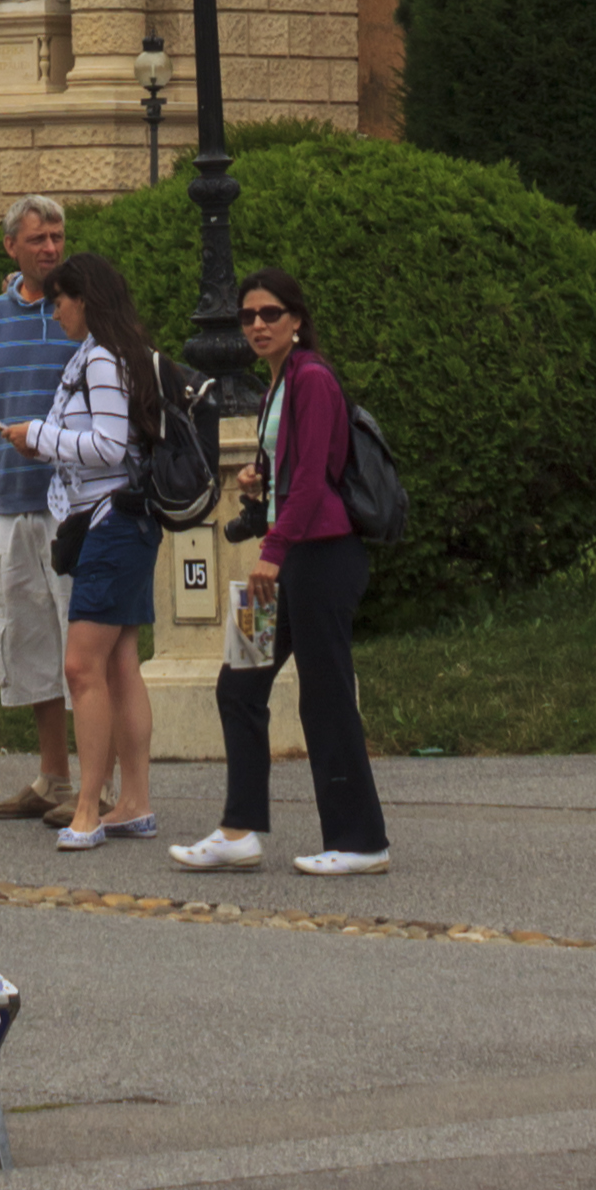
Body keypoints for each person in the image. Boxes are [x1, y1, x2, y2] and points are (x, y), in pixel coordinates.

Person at [171, 267, 390, 877]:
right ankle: (238, 831)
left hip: (319, 559)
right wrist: (258, 485)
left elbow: (317, 481)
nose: (258, 325)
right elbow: (294, 473)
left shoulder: (313, 378)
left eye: (271, 314)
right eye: (248, 317)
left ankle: (361, 841)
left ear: (296, 321)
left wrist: (272, 549)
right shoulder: (279, 384)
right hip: (289, 557)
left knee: (324, 697)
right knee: (238, 682)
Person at [34, 249, 165, 851]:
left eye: (60, 298)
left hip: (110, 524)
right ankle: (133, 801)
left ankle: (89, 806)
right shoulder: (120, 355)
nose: (55, 309)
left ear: (84, 298)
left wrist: (36, 436)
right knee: (120, 662)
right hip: (127, 524)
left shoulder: (102, 362)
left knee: (82, 666)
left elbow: (109, 448)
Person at [0, 193, 76, 821]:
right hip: (12, 498)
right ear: (12, 245)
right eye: (38, 238)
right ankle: (53, 779)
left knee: (83, 642)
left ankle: (99, 783)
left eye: (58, 236)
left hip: (73, 502)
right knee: (29, 637)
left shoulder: (80, 311)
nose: (51, 248)